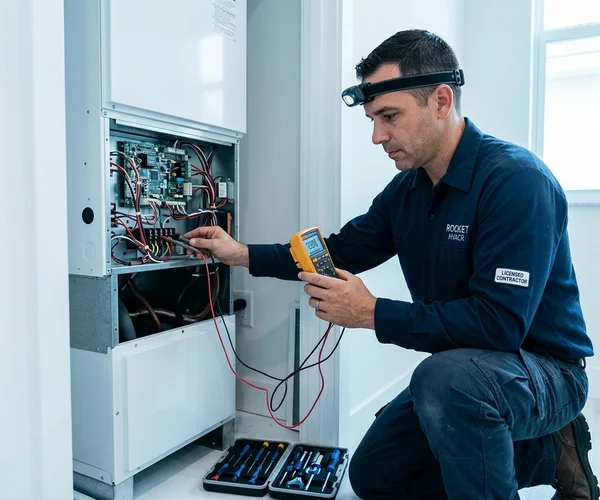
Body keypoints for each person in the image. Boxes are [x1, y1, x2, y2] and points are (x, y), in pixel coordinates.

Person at [184, 29, 598, 499]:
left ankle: (546, 437)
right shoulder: (409, 191)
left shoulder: (517, 183)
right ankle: (547, 454)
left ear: (440, 101)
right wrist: (241, 253)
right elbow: (340, 250)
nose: (378, 136)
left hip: (545, 370)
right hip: (467, 372)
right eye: (373, 119)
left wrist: (370, 313)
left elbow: (499, 325)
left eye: (389, 116)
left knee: (444, 380)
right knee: (377, 476)